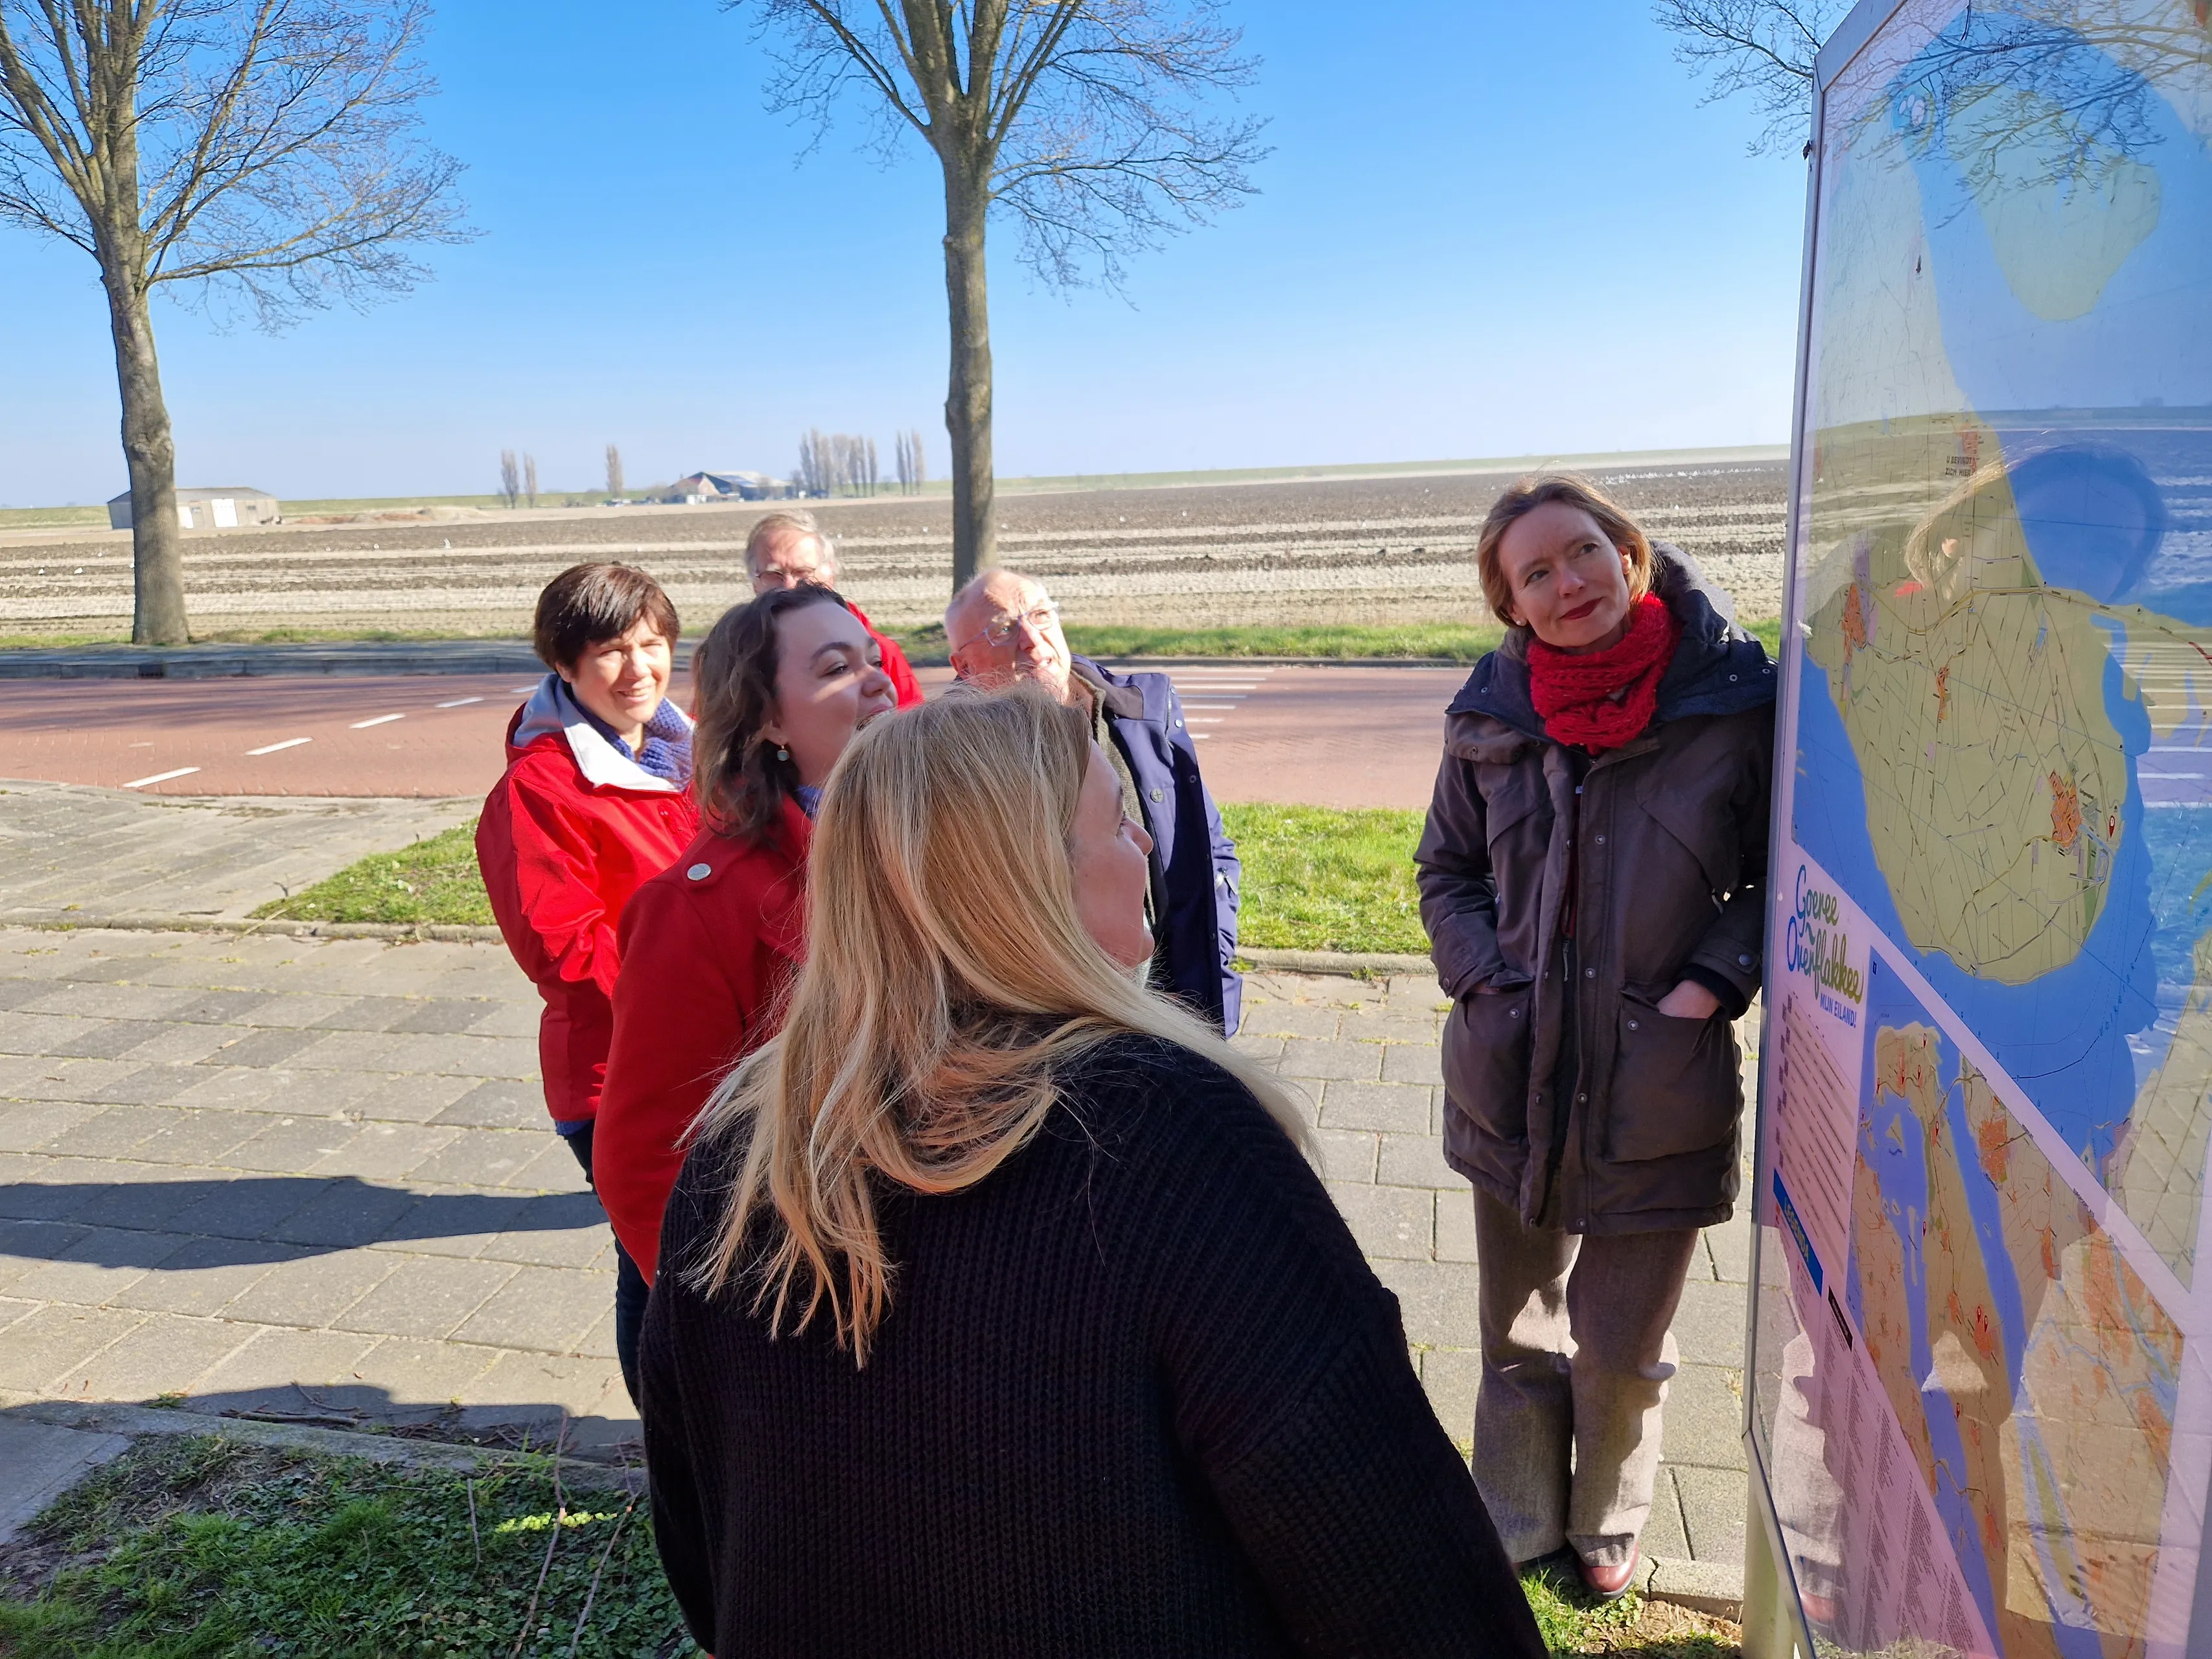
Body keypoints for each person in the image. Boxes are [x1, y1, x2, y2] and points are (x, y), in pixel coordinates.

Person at [640, 685, 1547, 1659]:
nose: (1146, 850)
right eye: (1117, 822)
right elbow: (1394, 1562)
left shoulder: (741, 1156)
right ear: (1030, 881)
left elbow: (703, 1540)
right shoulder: (1169, 1141)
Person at [1414, 474, 1775, 1599]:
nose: (1565, 582)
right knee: (1517, 1331)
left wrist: (1707, 988)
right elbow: (1445, 872)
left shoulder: (1731, 698)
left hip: (1656, 1078)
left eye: (1581, 553)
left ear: (1628, 552)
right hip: (1508, 1069)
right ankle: (1514, 1515)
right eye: (1534, 573)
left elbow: (1780, 875)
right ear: (1508, 605)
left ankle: (1607, 1516)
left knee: (1620, 1347)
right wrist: (1484, 981)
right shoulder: (1488, 714)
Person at [596, 585, 898, 1306]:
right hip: (816, 1282)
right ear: (768, 719)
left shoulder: (934, 842)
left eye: (873, 657)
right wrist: (740, 1327)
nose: (878, 679)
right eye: (835, 669)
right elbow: (646, 1163)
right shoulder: (696, 909)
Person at [475, 562, 699, 1406]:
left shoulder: (687, 752)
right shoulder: (540, 788)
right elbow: (566, 951)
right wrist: (698, 1005)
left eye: (653, 645)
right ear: (564, 665)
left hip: (710, 1060)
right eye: (610, 652)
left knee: (671, 1259)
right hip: (621, 1077)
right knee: (662, 1265)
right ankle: (670, 1440)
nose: (639, 668)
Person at [944, 568, 1242, 1033]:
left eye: (1040, 615)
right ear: (963, 667)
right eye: (1003, 629)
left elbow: (1210, 844)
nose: (1031, 639)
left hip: (1180, 1001)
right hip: (1062, 1032)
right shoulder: (952, 765)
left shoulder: (1141, 711)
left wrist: (1216, 951)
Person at [745, 508, 924, 708]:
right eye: (774, 575)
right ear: (755, 584)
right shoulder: (734, 662)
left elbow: (916, 734)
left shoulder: (883, 654)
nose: (789, 586)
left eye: (802, 572)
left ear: (829, 574)